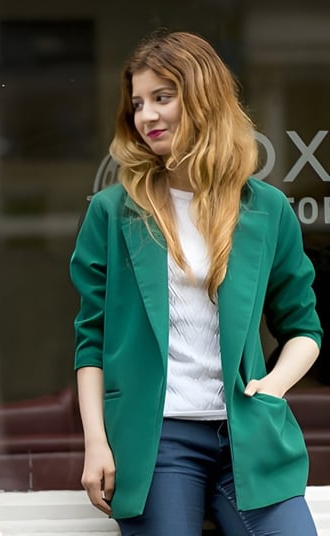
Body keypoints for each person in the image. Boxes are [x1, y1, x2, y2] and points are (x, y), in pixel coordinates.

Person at [70, 30, 323, 535]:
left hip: (248, 433)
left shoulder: (266, 208)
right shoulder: (113, 211)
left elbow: (304, 328)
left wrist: (272, 387)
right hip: (157, 440)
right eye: (138, 103)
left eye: (163, 98)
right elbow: (91, 341)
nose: (146, 116)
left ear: (203, 99)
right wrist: (96, 441)